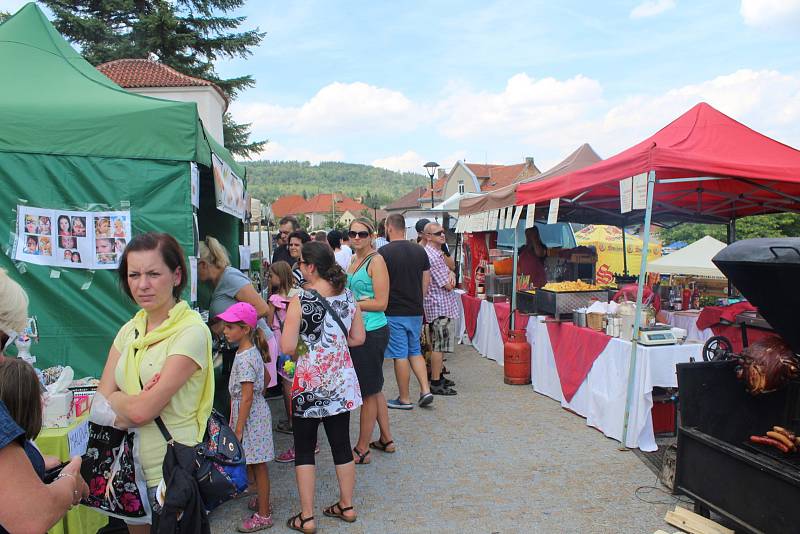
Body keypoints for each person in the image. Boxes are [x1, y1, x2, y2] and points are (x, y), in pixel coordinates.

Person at [98, 232, 214, 533]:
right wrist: (132, 401)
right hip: (127, 471)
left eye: (153, 273)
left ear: (176, 275)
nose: (142, 284)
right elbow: (100, 401)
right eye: (134, 274)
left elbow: (139, 413)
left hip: (170, 472)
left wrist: (122, 400)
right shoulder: (130, 330)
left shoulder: (191, 331)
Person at [280, 241, 365, 533]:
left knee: (304, 450)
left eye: (301, 263)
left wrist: (310, 347)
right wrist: (332, 347)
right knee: (341, 445)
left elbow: (288, 346)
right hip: (340, 383)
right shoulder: (349, 296)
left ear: (311, 267)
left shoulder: (300, 301)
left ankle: (307, 516)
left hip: (309, 385)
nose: (299, 268)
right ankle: (347, 505)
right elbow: (357, 339)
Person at [198, 236, 275, 419]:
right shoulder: (219, 282)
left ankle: (249, 442)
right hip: (240, 348)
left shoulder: (230, 277)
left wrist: (228, 325)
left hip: (256, 345)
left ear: (202, 264)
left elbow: (262, 309)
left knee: (249, 406)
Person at [218, 302, 274, 532]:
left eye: (230, 327)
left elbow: (248, 396)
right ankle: (262, 500)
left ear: (245, 329)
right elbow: (268, 379)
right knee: (255, 462)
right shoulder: (251, 351)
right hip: (255, 413)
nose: (224, 330)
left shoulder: (243, 358)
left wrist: (239, 428)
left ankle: (264, 514)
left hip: (250, 417)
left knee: (259, 465)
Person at [346, 218, 394, 464]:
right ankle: (386, 439)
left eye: (362, 234)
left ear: (372, 235)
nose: (356, 238)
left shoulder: (377, 261)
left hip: (372, 331)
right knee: (374, 388)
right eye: (352, 233)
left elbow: (382, 303)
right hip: (359, 330)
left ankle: (362, 448)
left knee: (369, 392)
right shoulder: (354, 260)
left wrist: (352, 304)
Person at [379, 214, 433, 409]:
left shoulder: (383, 252)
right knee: (415, 351)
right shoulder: (420, 251)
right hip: (416, 309)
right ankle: (425, 390)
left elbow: (380, 282)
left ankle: (404, 398)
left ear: (389, 227)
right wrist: (418, 299)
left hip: (394, 310)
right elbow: (425, 282)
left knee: (400, 354)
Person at [423, 222, 459, 395]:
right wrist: (451, 275)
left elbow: (450, 272)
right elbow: (448, 284)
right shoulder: (433, 256)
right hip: (440, 305)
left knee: (439, 345)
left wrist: (450, 273)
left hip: (437, 304)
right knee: (439, 345)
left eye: (442, 232)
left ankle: (438, 376)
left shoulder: (435, 253)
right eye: (438, 233)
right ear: (428, 236)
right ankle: (436, 381)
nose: (442, 235)